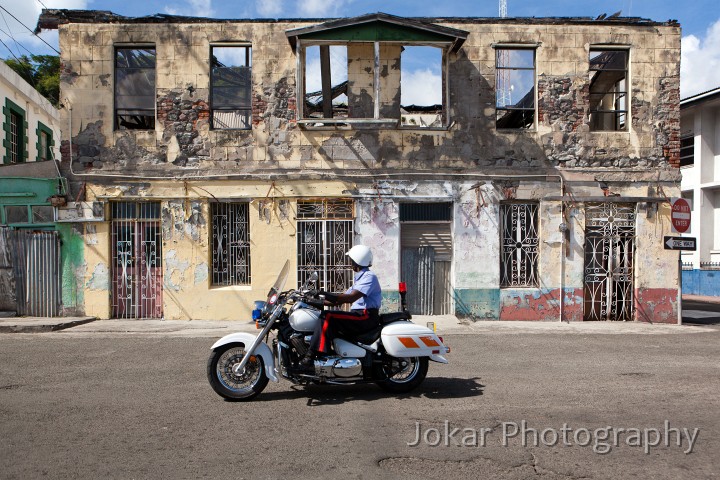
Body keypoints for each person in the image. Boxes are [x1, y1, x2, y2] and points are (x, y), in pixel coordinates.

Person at [301, 245, 382, 367]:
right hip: (360, 316)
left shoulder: (369, 277)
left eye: (351, 260)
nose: (350, 263)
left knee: (327, 316)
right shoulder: (360, 279)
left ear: (357, 261)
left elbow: (350, 298)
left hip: (365, 316)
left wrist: (321, 292)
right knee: (327, 316)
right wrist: (311, 300)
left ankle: (312, 354)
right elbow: (339, 300)